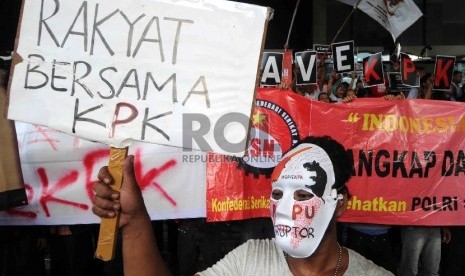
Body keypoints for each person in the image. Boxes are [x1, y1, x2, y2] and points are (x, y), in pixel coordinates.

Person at [92, 136, 393, 275]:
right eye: (278, 195)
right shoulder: (249, 261)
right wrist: (134, 222)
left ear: (339, 204)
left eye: (302, 196)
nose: (286, 209)